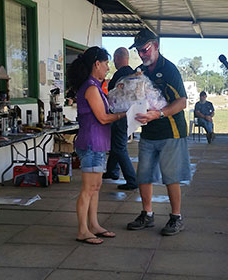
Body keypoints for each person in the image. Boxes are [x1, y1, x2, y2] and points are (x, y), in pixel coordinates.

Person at [126, 29, 191, 236]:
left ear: (155, 46)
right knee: (143, 175)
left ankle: (176, 217)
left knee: (171, 177)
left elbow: (182, 102)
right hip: (148, 132)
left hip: (170, 130)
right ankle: (147, 213)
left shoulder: (169, 69)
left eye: (144, 50)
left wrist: (160, 114)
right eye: (138, 51)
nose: (142, 55)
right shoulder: (140, 72)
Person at [67, 46, 126, 245]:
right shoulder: (91, 88)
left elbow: (104, 108)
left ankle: (94, 224)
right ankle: (82, 230)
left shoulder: (95, 86)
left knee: (96, 186)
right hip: (91, 143)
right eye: (106, 63)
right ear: (97, 64)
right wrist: (125, 114)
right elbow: (102, 117)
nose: (108, 67)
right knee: (88, 188)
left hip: (98, 144)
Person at [102, 47, 138, 190]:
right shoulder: (132, 73)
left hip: (120, 116)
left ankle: (132, 180)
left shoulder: (119, 75)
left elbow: (111, 96)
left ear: (117, 58)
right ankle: (112, 171)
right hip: (130, 115)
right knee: (116, 143)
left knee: (119, 147)